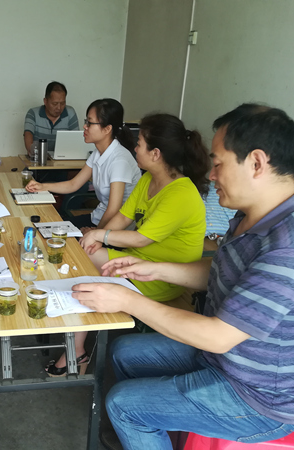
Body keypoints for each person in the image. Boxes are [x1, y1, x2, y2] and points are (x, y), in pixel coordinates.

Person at [73, 104, 294, 450]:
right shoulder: (251, 217)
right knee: (124, 351)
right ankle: (148, 433)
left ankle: (138, 424)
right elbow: (221, 273)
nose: (211, 175)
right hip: (225, 360)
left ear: (257, 163)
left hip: (257, 397)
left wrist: (126, 299)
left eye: (219, 164)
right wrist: (153, 268)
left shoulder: (290, 250)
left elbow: (219, 336)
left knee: (123, 404)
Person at [45, 113, 210, 378]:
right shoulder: (148, 179)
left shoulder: (181, 193)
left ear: (156, 153)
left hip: (162, 277)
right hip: (135, 262)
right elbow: (123, 217)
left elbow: (142, 238)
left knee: (83, 268)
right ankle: (76, 345)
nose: (135, 147)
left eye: (140, 143)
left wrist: (100, 236)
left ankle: (76, 349)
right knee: (79, 255)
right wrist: (97, 237)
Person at [26, 98, 141, 231]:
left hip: (116, 229)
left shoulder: (119, 160)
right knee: (47, 229)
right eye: (86, 122)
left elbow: (113, 209)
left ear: (107, 129)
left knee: (55, 235)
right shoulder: (97, 153)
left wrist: (95, 234)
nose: (85, 127)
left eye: (90, 123)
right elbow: (73, 184)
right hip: (98, 218)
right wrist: (42, 186)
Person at [23, 81, 79, 157]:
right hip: (39, 159)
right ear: (45, 101)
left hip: (63, 159)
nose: (59, 108)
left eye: (62, 103)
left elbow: (76, 141)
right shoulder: (33, 114)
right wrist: (34, 152)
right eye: (54, 104)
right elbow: (28, 139)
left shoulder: (70, 113)